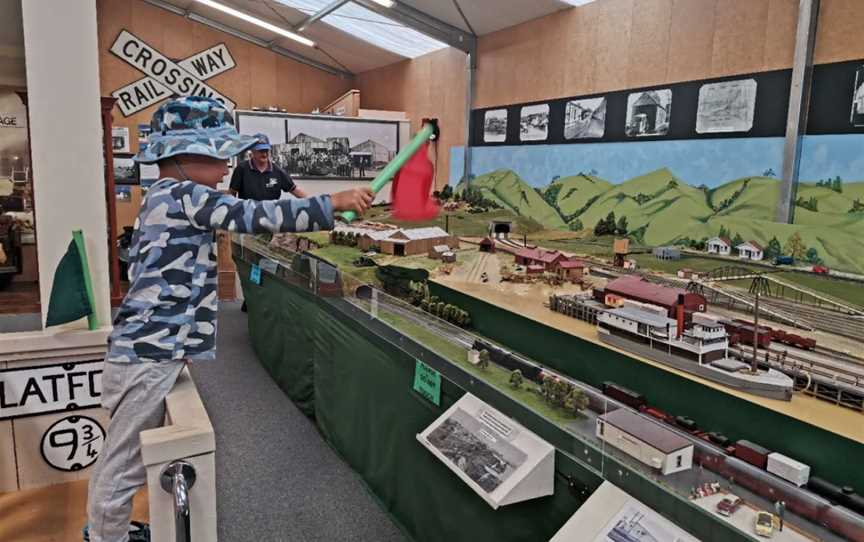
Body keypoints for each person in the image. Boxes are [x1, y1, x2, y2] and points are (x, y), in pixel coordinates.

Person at [84, 96, 372, 542]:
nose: (226, 165)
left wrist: (184, 343)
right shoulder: (186, 195)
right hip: (147, 354)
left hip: (151, 347)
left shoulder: (162, 196)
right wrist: (329, 203)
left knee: (130, 455)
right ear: (182, 156)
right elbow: (251, 215)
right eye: (219, 153)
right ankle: (105, 537)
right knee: (123, 465)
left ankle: (111, 531)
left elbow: (161, 282)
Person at [230, 132, 308, 199]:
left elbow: (295, 190)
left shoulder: (278, 171)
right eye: (261, 151)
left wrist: (314, 203)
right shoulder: (241, 169)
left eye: (266, 150)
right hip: (248, 215)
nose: (264, 154)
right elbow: (231, 194)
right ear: (253, 151)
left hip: (270, 215)